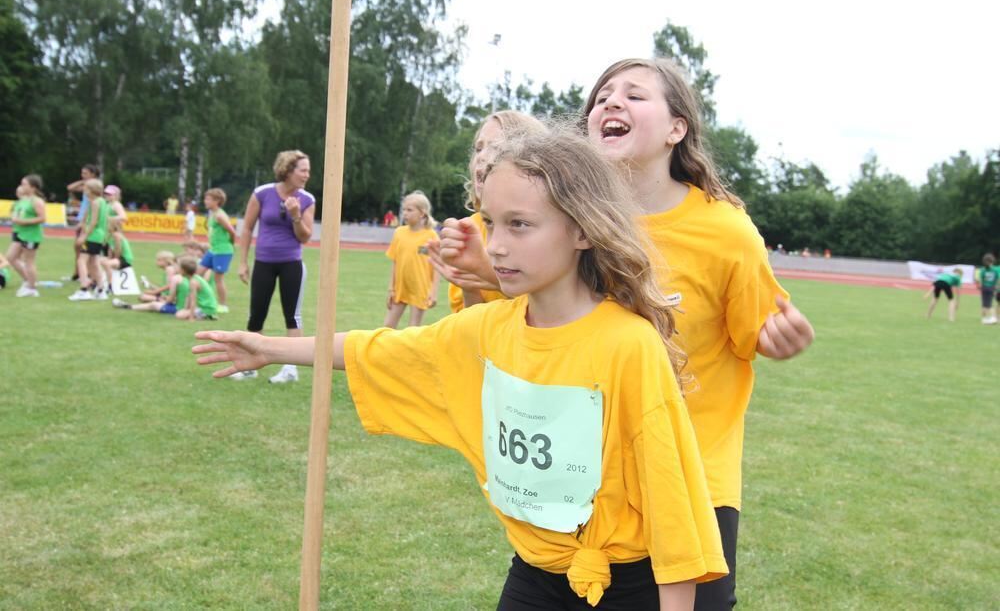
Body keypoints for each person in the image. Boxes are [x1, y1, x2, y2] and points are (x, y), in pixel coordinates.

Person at [194, 129, 728, 610]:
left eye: (520, 225)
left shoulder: (628, 346)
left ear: (583, 230)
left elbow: (671, 502)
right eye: (492, 223)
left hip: (628, 586)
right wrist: (268, 348)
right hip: (535, 575)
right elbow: (378, 350)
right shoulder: (488, 329)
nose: (495, 245)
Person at [436, 59, 815, 610]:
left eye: (634, 96)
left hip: (692, 480)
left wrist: (775, 337)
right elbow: (504, 339)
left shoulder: (726, 232)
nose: (609, 103)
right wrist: (484, 276)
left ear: (676, 129)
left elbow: (754, 330)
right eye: (601, 96)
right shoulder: (558, 219)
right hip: (588, 483)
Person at [429, 111, 546, 313]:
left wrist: (486, 273)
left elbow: (555, 307)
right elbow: (473, 331)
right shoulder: (471, 229)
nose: (482, 157)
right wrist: (468, 284)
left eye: (496, 147)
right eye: (478, 148)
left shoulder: (548, 225)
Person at [234, 149, 316, 383]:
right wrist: (242, 262)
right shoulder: (262, 193)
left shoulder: (307, 199)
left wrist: (295, 215)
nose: (307, 175)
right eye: (303, 170)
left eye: (308, 171)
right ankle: (249, 366)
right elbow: (248, 228)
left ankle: (291, 369)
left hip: (292, 263)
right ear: (288, 170)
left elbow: (304, 237)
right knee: (256, 315)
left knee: (292, 316)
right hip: (263, 262)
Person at [383, 191, 441, 328]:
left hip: (420, 289)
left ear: (422, 213)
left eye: (409, 210)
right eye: (404, 210)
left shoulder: (431, 236)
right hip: (400, 288)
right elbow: (395, 262)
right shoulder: (399, 233)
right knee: (386, 327)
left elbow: (437, 266)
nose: (405, 213)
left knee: (413, 330)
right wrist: (391, 288)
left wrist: (433, 292)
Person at [68, 178, 110, 301]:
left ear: (91, 190)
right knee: (94, 263)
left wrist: (83, 236)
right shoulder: (102, 201)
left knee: (82, 260)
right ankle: (101, 289)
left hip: (92, 235)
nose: (84, 190)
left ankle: (84, 289)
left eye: (86, 188)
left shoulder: (95, 202)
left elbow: (93, 222)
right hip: (99, 236)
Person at [7, 175, 46, 297]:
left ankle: (32, 288)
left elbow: (42, 218)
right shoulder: (23, 200)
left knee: (29, 261)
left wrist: (23, 222)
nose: (21, 186)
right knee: (11, 257)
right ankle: (28, 280)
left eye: (24, 184)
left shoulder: (37, 201)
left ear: (33, 187)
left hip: (31, 235)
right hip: (20, 233)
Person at [199, 188, 236, 314]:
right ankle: (202, 300)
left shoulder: (220, 215)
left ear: (217, 201)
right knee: (198, 274)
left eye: (208, 199)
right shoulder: (212, 213)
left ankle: (223, 305)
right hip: (212, 250)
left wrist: (229, 244)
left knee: (218, 279)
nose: (205, 201)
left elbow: (232, 231)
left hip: (222, 251)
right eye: (206, 198)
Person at [66, 164, 100, 281]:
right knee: (78, 248)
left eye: (85, 173)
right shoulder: (87, 186)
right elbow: (70, 188)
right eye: (82, 173)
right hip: (82, 220)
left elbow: (92, 207)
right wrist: (83, 181)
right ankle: (78, 273)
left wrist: (83, 222)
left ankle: (85, 274)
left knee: (84, 249)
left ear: (93, 174)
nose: (82, 175)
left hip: (85, 221)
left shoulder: (95, 189)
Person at [175, 255, 219, 321]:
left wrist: (191, 317)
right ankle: (204, 315)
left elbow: (193, 300)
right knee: (181, 312)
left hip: (207, 309)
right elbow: (188, 296)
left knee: (179, 315)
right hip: (206, 307)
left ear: (183, 270)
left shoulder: (193, 282)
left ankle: (207, 315)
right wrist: (185, 309)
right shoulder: (192, 278)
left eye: (178, 267)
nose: (176, 269)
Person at [100, 218, 134, 295]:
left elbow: (118, 250)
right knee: (97, 260)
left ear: (112, 226)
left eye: (107, 224)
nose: (106, 226)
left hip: (125, 259)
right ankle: (97, 282)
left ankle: (109, 286)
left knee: (106, 264)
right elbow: (110, 252)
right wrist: (108, 258)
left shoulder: (116, 235)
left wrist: (111, 260)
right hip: (117, 258)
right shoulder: (110, 236)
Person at [974, 253, 998, 324]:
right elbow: (997, 279)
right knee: (990, 303)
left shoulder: (983, 270)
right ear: (992, 261)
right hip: (991, 287)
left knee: (984, 304)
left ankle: (985, 318)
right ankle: (992, 317)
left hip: (984, 287)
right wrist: (996, 286)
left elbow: (980, 280)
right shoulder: (995, 270)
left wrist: (980, 286)